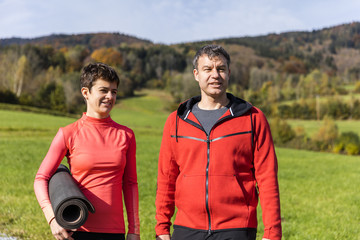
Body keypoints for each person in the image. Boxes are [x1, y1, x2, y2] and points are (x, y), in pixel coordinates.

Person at [155, 45, 282, 240]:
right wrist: (162, 228)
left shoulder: (253, 118)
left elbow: (267, 179)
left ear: (229, 73)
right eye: (208, 69)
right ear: (196, 74)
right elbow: (167, 177)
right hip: (186, 229)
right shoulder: (176, 120)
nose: (215, 75)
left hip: (237, 229)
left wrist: (272, 233)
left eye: (221, 69)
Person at [34, 62, 140, 240]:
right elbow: (41, 178)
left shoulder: (126, 135)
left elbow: (130, 184)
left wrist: (134, 230)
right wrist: (52, 219)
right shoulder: (68, 133)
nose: (110, 96)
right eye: (103, 90)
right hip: (77, 230)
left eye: (114, 92)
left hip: (115, 232)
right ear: (86, 92)